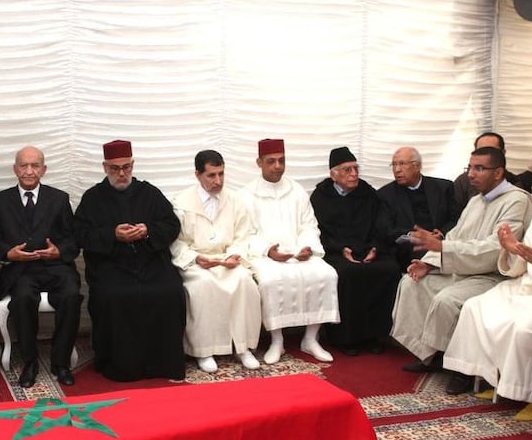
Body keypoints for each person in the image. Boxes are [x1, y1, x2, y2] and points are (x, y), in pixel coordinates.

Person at [391, 146, 532, 394]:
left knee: (448, 300)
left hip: (494, 276)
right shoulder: (476, 201)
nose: (471, 174)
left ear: (498, 172)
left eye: (479, 168)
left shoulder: (517, 201)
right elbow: (457, 235)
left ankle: (462, 368)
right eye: (470, 167)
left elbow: (494, 250)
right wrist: (429, 262)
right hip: (463, 268)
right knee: (412, 282)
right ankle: (431, 354)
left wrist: (444, 247)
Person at [443, 152, 532, 421]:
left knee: (524, 326)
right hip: (528, 287)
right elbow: (520, 266)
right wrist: (512, 251)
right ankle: (497, 380)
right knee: (477, 307)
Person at [74, 140, 186, 381]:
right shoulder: (93, 198)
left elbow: (171, 224)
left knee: (169, 291)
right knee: (115, 296)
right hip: (111, 265)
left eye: (126, 167)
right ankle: (122, 366)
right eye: (115, 168)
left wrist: (148, 231)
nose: (122, 173)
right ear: (105, 168)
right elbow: (80, 234)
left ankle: (164, 364)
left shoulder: (150, 193)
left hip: (150, 261)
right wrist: (111, 235)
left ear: (133, 165)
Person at [0, 146, 82, 387]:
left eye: (35, 165)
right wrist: (9, 254)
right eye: (24, 165)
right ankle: (30, 362)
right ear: (15, 169)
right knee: (23, 298)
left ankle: (60, 363)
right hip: (20, 270)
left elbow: (73, 240)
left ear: (44, 169)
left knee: (72, 296)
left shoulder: (59, 199)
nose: (29, 171)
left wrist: (58, 251)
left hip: (55, 267)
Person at [238, 138, 339, 364]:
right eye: (271, 161)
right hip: (265, 256)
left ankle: (310, 339)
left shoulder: (297, 191)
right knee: (271, 281)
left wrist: (307, 248)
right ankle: (277, 341)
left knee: (326, 274)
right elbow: (245, 233)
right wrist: (269, 251)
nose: (277, 166)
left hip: (298, 252)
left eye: (282, 161)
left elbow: (309, 225)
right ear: (259, 163)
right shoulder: (246, 195)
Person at [170, 150, 262, 373]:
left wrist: (235, 254)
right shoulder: (181, 202)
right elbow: (177, 242)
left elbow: (244, 234)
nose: (218, 181)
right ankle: (204, 350)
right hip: (197, 263)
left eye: (221, 174)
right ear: (197, 174)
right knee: (203, 286)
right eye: (211, 175)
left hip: (227, 260)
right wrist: (196, 258)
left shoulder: (235, 200)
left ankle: (243, 347)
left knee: (244, 282)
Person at [309, 146, 398, 356]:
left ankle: (375, 335)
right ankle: (345, 338)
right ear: (334, 174)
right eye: (347, 170)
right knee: (347, 274)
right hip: (336, 251)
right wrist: (341, 249)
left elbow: (382, 224)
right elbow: (316, 230)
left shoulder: (367, 193)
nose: (354, 174)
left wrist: (375, 247)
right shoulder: (321, 196)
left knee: (389, 270)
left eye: (356, 168)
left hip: (368, 249)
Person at [377, 147, 462, 269]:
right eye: (394, 165)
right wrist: (414, 236)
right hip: (410, 247)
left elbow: (457, 219)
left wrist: (442, 233)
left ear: (417, 166)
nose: (397, 170)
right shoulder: (385, 195)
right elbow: (386, 230)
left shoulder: (443, 188)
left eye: (402, 164)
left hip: (443, 241)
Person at [452, 132, 526, 209]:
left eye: (491, 151)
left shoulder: (514, 185)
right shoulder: (463, 182)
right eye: (481, 151)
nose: (485, 155)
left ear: (503, 153)